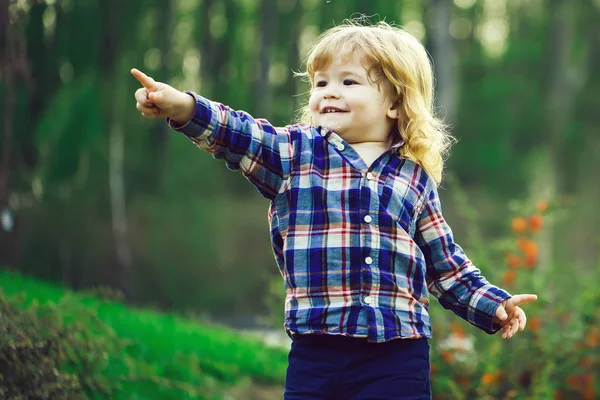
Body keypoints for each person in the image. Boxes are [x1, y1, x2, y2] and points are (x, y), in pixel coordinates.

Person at [131, 19, 537, 400]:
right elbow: (240, 135)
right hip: (318, 350)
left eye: (348, 81)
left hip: (398, 353)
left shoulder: (414, 179)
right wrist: (183, 106)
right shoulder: (296, 153)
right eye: (320, 82)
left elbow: (446, 265)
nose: (328, 91)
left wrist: (492, 304)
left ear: (394, 102)